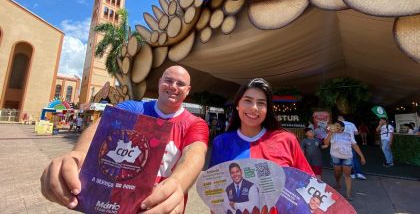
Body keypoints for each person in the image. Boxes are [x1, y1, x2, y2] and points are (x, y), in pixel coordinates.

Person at [40, 66, 209, 214]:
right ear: (159, 83)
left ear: (187, 90)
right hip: (114, 204)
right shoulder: (132, 109)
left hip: (158, 208)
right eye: (168, 80)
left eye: (180, 84)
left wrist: (178, 183)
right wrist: (79, 155)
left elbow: (195, 152)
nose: (173, 86)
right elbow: (100, 128)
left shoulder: (194, 124)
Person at [210, 78, 313, 175]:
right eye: (247, 100)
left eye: (261, 103)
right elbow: (213, 187)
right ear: (237, 105)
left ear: (267, 109)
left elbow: (308, 183)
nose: (254, 108)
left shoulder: (287, 140)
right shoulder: (220, 143)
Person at [323, 120, 366, 201]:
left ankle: (348, 194)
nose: (336, 127)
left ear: (343, 127)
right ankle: (338, 184)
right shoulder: (331, 134)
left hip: (347, 157)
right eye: (335, 126)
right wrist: (330, 133)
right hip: (335, 157)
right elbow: (326, 143)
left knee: (347, 175)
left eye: (338, 126)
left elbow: (354, 145)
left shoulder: (348, 134)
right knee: (337, 172)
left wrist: (362, 156)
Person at [338, 115, 367, 180]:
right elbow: (356, 133)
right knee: (354, 157)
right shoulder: (351, 124)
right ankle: (358, 173)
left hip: (341, 143)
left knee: (344, 159)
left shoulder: (337, 125)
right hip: (351, 142)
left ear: (339, 119)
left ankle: (350, 173)